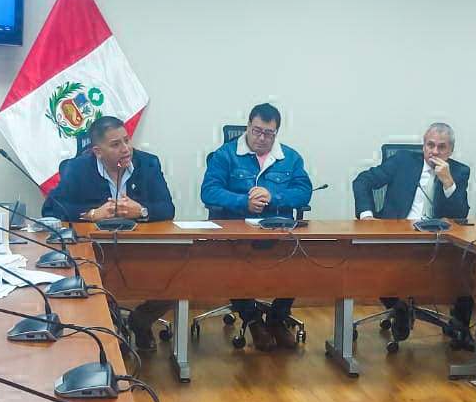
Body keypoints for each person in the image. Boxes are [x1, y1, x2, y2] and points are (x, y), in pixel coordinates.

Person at [42, 116, 177, 349]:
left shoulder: (148, 164)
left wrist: (141, 210)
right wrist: (92, 214)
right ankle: (113, 325)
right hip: (95, 251)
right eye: (116, 144)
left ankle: (141, 320)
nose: (126, 149)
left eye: (127, 140)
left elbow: (167, 208)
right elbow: (51, 209)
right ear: (97, 151)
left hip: (142, 247)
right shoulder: (77, 168)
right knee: (93, 279)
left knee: (179, 276)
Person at [200, 102, 314, 351]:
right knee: (235, 263)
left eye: (268, 133)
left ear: (276, 132)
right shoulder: (225, 155)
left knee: (299, 259)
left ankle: (277, 318)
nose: (262, 138)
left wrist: (273, 196)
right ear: (248, 127)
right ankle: (252, 319)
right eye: (257, 131)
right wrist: (244, 202)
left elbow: (304, 192)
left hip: (278, 231)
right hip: (236, 231)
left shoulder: (290, 158)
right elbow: (209, 191)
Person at [351, 122, 475, 345]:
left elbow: (460, 215)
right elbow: (362, 181)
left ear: (451, 150)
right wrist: (367, 215)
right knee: (376, 264)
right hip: (396, 236)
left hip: (436, 241)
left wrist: (448, 182)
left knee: (470, 263)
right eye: (430, 145)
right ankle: (397, 307)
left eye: (441, 147)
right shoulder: (403, 161)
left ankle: (460, 328)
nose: (434, 152)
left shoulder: (459, 172)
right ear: (423, 146)